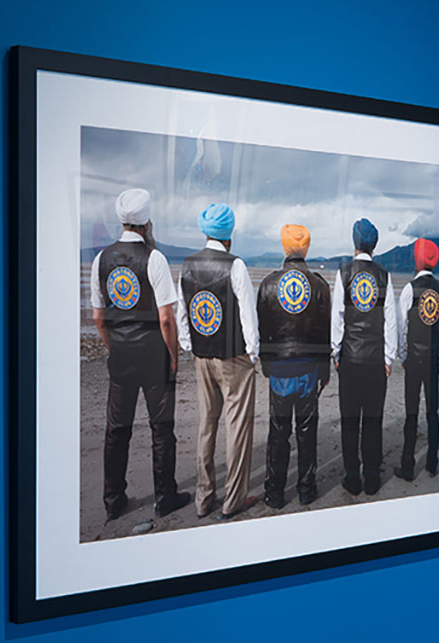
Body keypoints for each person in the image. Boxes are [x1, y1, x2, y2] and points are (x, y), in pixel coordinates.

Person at [91, 188, 191, 521]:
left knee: (116, 430)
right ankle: (164, 497)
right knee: (161, 429)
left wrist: (113, 346)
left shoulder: (100, 259)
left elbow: (98, 317)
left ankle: (113, 499)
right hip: (153, 358)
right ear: (147, 221)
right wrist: (173, 355)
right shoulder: (155, 258)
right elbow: (166, 317)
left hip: (120, 357)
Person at [177, 203, 260, 521]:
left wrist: (189, 345)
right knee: (237, 426)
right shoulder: (235, 266)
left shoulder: (186, 265)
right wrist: (252, 352)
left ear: (205, 230)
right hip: (234, 358)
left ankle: (203, 497)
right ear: (229, 233)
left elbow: (183, 312)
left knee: (206, 425)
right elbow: (247, 315)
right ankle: (233, 500)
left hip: (202, 356)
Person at [256, 225, 332, 508]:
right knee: (307, 432)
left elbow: (263, 329)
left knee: (278, 432)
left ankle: (274, 493)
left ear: (284, 247)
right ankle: (306, 490)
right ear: (306, 249)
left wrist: (266, 365)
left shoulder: (267, 284)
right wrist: (324, 371)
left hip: (280, 370)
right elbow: (325, 333)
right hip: (310, 369)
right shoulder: (320, 285)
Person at [331, 218, 397, 495]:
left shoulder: (344, 273)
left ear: (355, 242)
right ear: (375, 244)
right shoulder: (384, 275)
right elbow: (390, 320)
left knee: (349, 421)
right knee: (373, 420)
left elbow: (338, 317)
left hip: (350, 359)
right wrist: (388, 358)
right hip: (374, 361)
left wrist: (336, 351)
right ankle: (371, 476)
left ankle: (352, 477)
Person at [394, 238, 439, 481]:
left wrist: (402, 353)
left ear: (417, 260)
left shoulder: (410, 289)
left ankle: (408, 466)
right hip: (431, 359)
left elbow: (401, 325)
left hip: (413, 361)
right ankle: (432, 463)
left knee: (411, 413)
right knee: (433, 412)